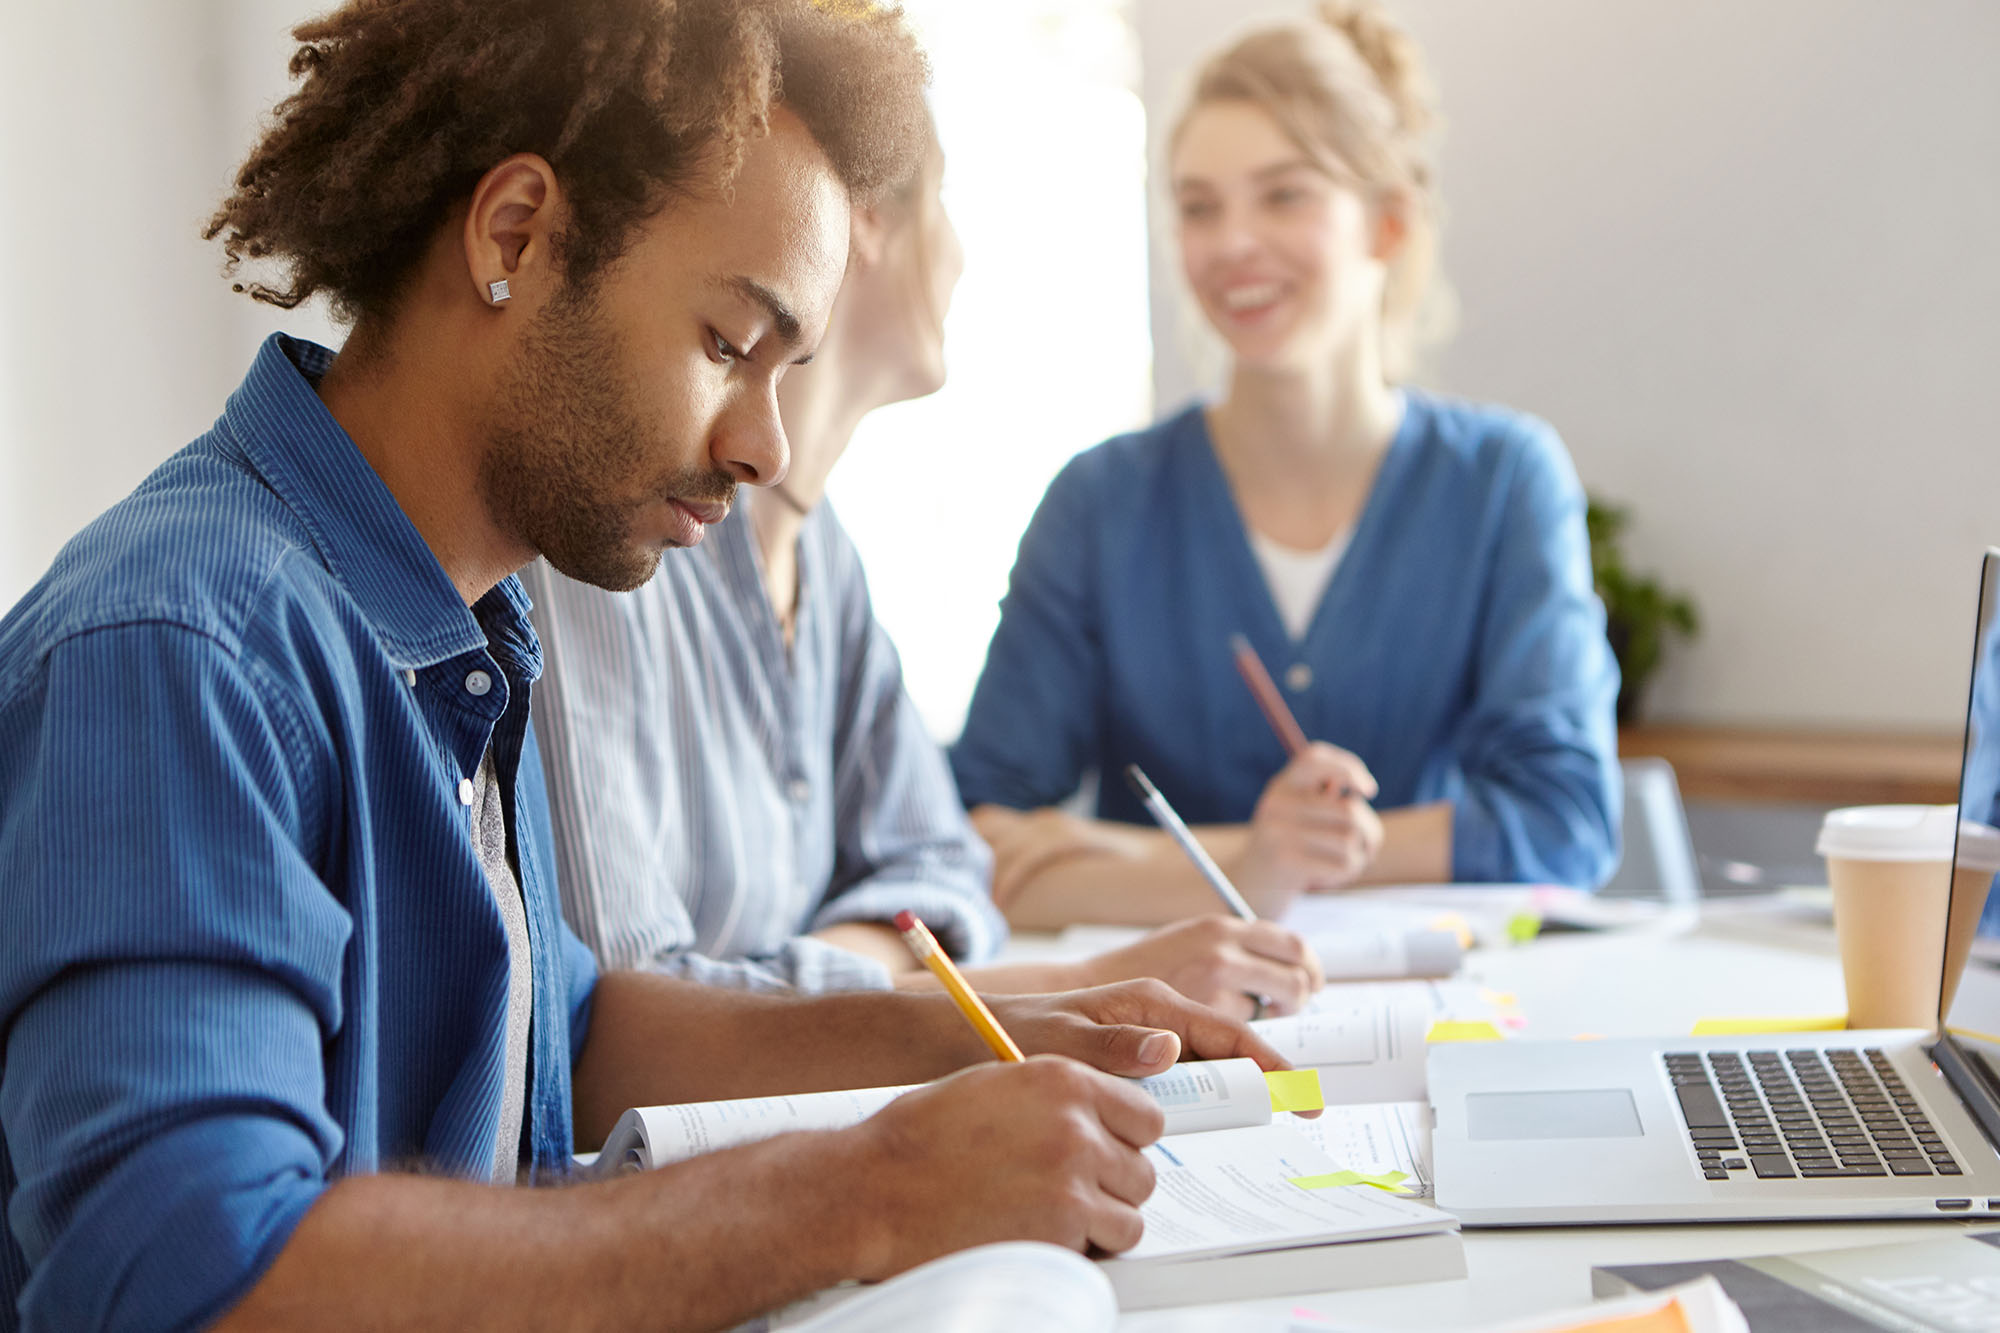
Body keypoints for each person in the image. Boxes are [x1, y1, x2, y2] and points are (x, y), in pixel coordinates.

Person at [0, 5, 1286, 1330]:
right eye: (730, 344)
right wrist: (867, 1191)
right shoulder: (183, 649)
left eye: (788, 369)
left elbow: (578, 1026)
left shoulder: (460, 624)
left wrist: (971, 1037)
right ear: (516, 236)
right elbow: (183, 1272)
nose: (765, 448)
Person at [524, 120, 1325, 1020]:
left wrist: (842, 974)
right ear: (863, 217)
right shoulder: (622, 535)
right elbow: (632, 1017)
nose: (961, 253)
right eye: (943, 200)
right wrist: (915, 978)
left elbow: (942, 862)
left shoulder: (826, 560)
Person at [949, 0, 1621, 931]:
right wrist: (1256, 855)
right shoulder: (1100, 504)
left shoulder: (1503, 483)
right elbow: (976, 833)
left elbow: (1565, 822)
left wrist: (1185, 859)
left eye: (1284, 194)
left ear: (1387, 224)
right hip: (1166, 1029)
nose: (1231, 244)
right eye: (1198, 207)